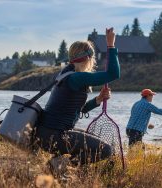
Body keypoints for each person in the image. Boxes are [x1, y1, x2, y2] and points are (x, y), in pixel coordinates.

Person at [35, 27, 120, 165]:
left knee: (95, 140)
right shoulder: (77, 77)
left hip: (46, 134)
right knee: (106, 150)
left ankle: (58, 163)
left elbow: (75, 110)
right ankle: (60, 166)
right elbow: (113, 74)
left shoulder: (66, 74)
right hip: (55, 136)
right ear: (88, 58)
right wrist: (111, 45)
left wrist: (98, 100)